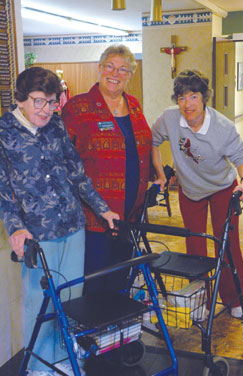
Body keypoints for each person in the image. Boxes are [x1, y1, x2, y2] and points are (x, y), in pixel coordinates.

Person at [0, 66, 119, 376]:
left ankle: (65, 355)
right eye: (39, 101)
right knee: (39, 301)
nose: (46, 109)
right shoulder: (4, 133)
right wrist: (15, 227)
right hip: (36, 233)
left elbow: (76, 171)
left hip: (72, 223)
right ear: (22, 99)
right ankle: (40, 364)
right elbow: (3, 190)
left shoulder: (55, 126)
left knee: (70, 296)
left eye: (52, 102)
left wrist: (101, 208)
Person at [151, 69, 243, 319]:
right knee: (194, 244)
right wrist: (161, 174)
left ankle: (233, 298)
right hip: (190, 189)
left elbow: (240, 156)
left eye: (193, 97)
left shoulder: (222, 127)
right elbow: (151, 140)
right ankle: (201, 300)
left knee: (226, 242)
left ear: (204, 98)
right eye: (182, 98)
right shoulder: (169, 119)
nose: (187, 104)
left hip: (222, 189)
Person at [61, 44, 152, 294]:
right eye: (110, 66)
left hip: (130, 214)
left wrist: (159, 173)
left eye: (123, 69)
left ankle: (117, 331)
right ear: (100, 68)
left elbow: (144, 144)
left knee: (121, 276)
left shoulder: (133, 105)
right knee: (95, 278)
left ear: (130, 75)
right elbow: (62, 159)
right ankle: (92, 331)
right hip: (95, 216)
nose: (116, 73)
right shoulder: (78, 108)